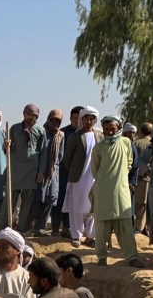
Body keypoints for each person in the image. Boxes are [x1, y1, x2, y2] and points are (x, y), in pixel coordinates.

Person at [92, 116, 142, 267]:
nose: (109, 132)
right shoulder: (98, 148)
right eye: (106, 130)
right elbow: (94, 171)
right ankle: (101, 257)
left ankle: (132, 257)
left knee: (125, 225)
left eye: (112, 129)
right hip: (103, 192)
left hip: (121, 192)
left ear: (118, 128)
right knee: (102, 228)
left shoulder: (126, 143)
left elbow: (130, 163)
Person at [61, 106, 102, 247]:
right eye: (86, 118)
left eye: (91, 119)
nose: (89, 121)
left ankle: (90, 237)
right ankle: (76, 236)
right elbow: (67, 159)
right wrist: (75, 170)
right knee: (76, 207)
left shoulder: (100, 136)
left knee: (93, 208)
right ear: (82, 119)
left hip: (95, 178)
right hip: (78, 179)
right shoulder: (75, 137)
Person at [6, 104, 47, 232]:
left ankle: (21, 229)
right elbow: (7, 148)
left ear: (37, 116)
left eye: (33, 115)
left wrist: (41, 170)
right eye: (28, 114)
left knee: (27, 203)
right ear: (24, 114)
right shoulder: (14, 128)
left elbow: (43, 152)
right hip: (16, 169)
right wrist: (6, 145)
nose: (30, 117)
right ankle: (4, 227)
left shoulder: (41, 130)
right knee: (10, 200)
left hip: (32, 170)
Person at [51, 106, 83, 236]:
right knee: (58, 200)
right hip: (62, 173)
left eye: (80, 119)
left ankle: (68, 227)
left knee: (73, 202)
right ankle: (55, 228)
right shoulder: (62, 133)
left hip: (78, 175)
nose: (77, 121)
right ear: (70, 118)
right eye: (75, 118)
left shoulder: (86, 134)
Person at [33, 109, 65, 236]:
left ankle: (41, 227)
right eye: (53, 120)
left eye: (58, 121)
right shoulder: (41, 132)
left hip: (53, 172)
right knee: (37, 199)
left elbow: (61, 156)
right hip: (39, 171)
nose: (55, 123)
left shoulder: (61, 136)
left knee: (49, 199)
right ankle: (32, 225)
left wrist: (53, 167)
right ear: (48, 119)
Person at [133, 122, 153, 234]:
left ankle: (139, 228)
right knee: (146, 204)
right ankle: (144, 227)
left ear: (140, 131)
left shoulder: (135, 143)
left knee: (138, 204)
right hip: (151, 178)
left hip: (138, 178)